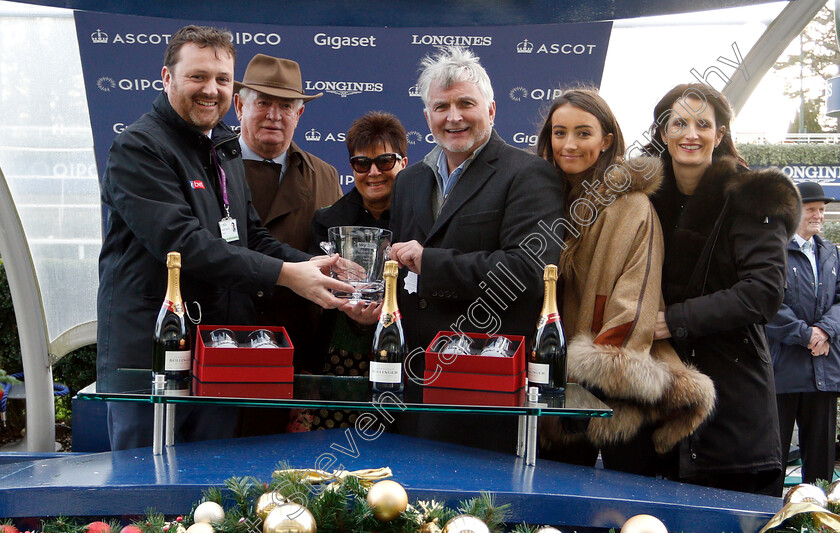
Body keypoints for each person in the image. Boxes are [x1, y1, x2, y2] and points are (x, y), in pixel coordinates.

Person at [96, 25, 351, 450]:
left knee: (211, 498)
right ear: (167, 78)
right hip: (152, 359)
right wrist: (287, 274)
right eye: (198, 76)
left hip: (221, 353)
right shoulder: (138, 147)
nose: (210, 89)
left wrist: (317, 268)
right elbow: (183, 244)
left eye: (221, 79)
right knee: (146, 499)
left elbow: (249, 235)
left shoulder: (222, 148)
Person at [389, 46, 564, 452]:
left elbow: (528, 272)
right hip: (414, 384)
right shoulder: (409, 181)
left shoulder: (529, 175)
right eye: (441, 106)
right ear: (426, 116)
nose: (453, 117)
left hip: (485, 386)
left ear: (491, 110)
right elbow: (401, 272)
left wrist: (427, 261)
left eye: (466, 103)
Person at [534, 89, 715, 476]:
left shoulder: (631, 205)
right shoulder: (538, 196)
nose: (569, 144)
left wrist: (594, 375)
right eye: (559, 132)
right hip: (544, 384)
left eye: (583, 133)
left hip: (610, 392)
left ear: (607, 141)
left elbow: (637, 295)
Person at [647, 83, 800, 495]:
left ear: (720, 133)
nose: (689, 134)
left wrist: (674, 320)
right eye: (678, 123)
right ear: (663, 132)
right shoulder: (641, 199)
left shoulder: (753, 197)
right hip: (654, 399)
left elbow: (764, 291)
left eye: (702, 124)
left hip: (731, 403)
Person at [289, 111, 407, 432]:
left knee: (399, 448)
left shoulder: (421, 220)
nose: (373, 172)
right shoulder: (328, 221)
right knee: (334, 450)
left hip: (403, 353)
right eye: (361, 163)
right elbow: (315, 293)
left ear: (403, 163)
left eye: (384, 162)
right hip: (338, 358)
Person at [233, 54, 342, 374]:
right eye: (263, 102)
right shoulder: (207, 168)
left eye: (285, 106)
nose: (274, 116)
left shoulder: (325, 176)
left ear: (300, 113)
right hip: (221, 345)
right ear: (239, 106)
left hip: (298, 353)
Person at [766, 181, 840, 487]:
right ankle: (771, 518)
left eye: (822, 210)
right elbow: (768, 304)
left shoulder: (831, 252)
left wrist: (825, 330)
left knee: (821, 464)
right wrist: (805, 335)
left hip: (824, 372)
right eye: (812, 209)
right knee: (775, 458)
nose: (819, 216)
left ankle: (817, 520)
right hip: (784, 372)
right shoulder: (773, 250)